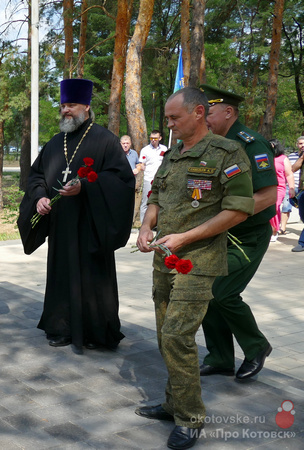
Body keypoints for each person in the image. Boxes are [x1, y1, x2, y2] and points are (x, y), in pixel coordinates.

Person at [135, 87, 255, 449]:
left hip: (196, 261)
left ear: (199, 112)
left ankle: (190, 417)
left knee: (177, 336)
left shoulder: (227, 152)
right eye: (168, 119)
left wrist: (185, 238)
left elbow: (238, 209)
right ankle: (174, 402)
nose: (168, 125)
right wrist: (145, 225)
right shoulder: (173, 155)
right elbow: (156, 195)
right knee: (163, 336)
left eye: (175, 118)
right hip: (163, 257)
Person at [19, 79, 135, 351]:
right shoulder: (54, 143)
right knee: (61, 276)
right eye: (62, 106)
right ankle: (61, 327)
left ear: (87, 106)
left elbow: (121, 181)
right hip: (61, 226)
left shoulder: (106, 141)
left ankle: (97, 331)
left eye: (71, 105)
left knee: (93, 279)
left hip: (92, 225)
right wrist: (39, 198)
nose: (66, 110)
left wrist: (86, 186)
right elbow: (36, 176)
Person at [198, 85, 276, 381]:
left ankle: (256, 345)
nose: (203, 118)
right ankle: (219, 357)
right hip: (218, 233)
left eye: (209, 112)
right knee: (206, 291)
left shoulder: (250, 143)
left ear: (228, 112)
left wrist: (226, 217)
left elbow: (268, 195)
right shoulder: (212, 143)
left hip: (247, 236)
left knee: (222, 291)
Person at [139, 130, 168, 222]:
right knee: (146, 201)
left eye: (155, 138)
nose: (153, 140)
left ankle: (156, 223)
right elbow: (141, 163)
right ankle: (143, 223)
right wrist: (141, 166)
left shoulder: (164, 149)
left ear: (160, 138)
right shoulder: (145, 150)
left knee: (160, 201)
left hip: (160, 179)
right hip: (149, 178)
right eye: (151, 138)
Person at [270, 140, 295, 242]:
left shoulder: (283, 159)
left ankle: (274, 231)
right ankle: (268, 230)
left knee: (275, 207)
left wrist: (292, 188)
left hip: (279, 188)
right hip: (267, 188)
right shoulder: (265, 157)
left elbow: (289, 174)